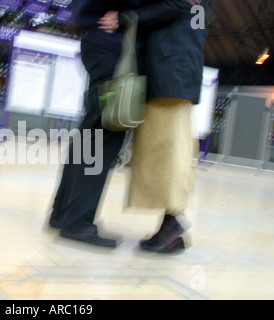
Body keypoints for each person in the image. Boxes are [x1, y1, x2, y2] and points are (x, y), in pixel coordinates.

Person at [47, 0, 205, 248]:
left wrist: (127, 17)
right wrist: (127, 17)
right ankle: (77, 221)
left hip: (106, 43)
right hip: (114, 47)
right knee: (103, 134)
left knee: (92, 133)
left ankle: (64, 214)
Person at [97, 0, 211, 253]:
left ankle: (172, 224)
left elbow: (178, 3)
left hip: (171, 68)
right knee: (165, 149)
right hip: (173, 66)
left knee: (167, 150)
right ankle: (171, 225)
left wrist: (125, 19)